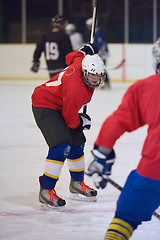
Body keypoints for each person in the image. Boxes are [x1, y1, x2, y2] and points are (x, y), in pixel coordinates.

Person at [86, 38, 160, 239]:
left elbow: (116, 123)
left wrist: (102, 153)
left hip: (154, 171)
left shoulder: (147, 88)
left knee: (126, 218)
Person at [31, 42, 106, 208]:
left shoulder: (81, 63)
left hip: (60, 104)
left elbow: (71, 57)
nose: (95, 79)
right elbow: (70, 118)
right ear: (85, 72)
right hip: (44, 104)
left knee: (78, 141)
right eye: (92, 75)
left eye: (98, 76)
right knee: (61, 145)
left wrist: (84, 50)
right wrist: (82, 122)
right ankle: (46, 190)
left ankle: (76, 183)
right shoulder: (77, 89)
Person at [86, 17, 110, 88]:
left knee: (101, 69)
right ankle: (104, 83)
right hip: (99, 54)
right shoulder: (96, 32)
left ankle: (106, 83)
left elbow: (101, 43)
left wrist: (100, 51)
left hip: (102, 54)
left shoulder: (98, 32)